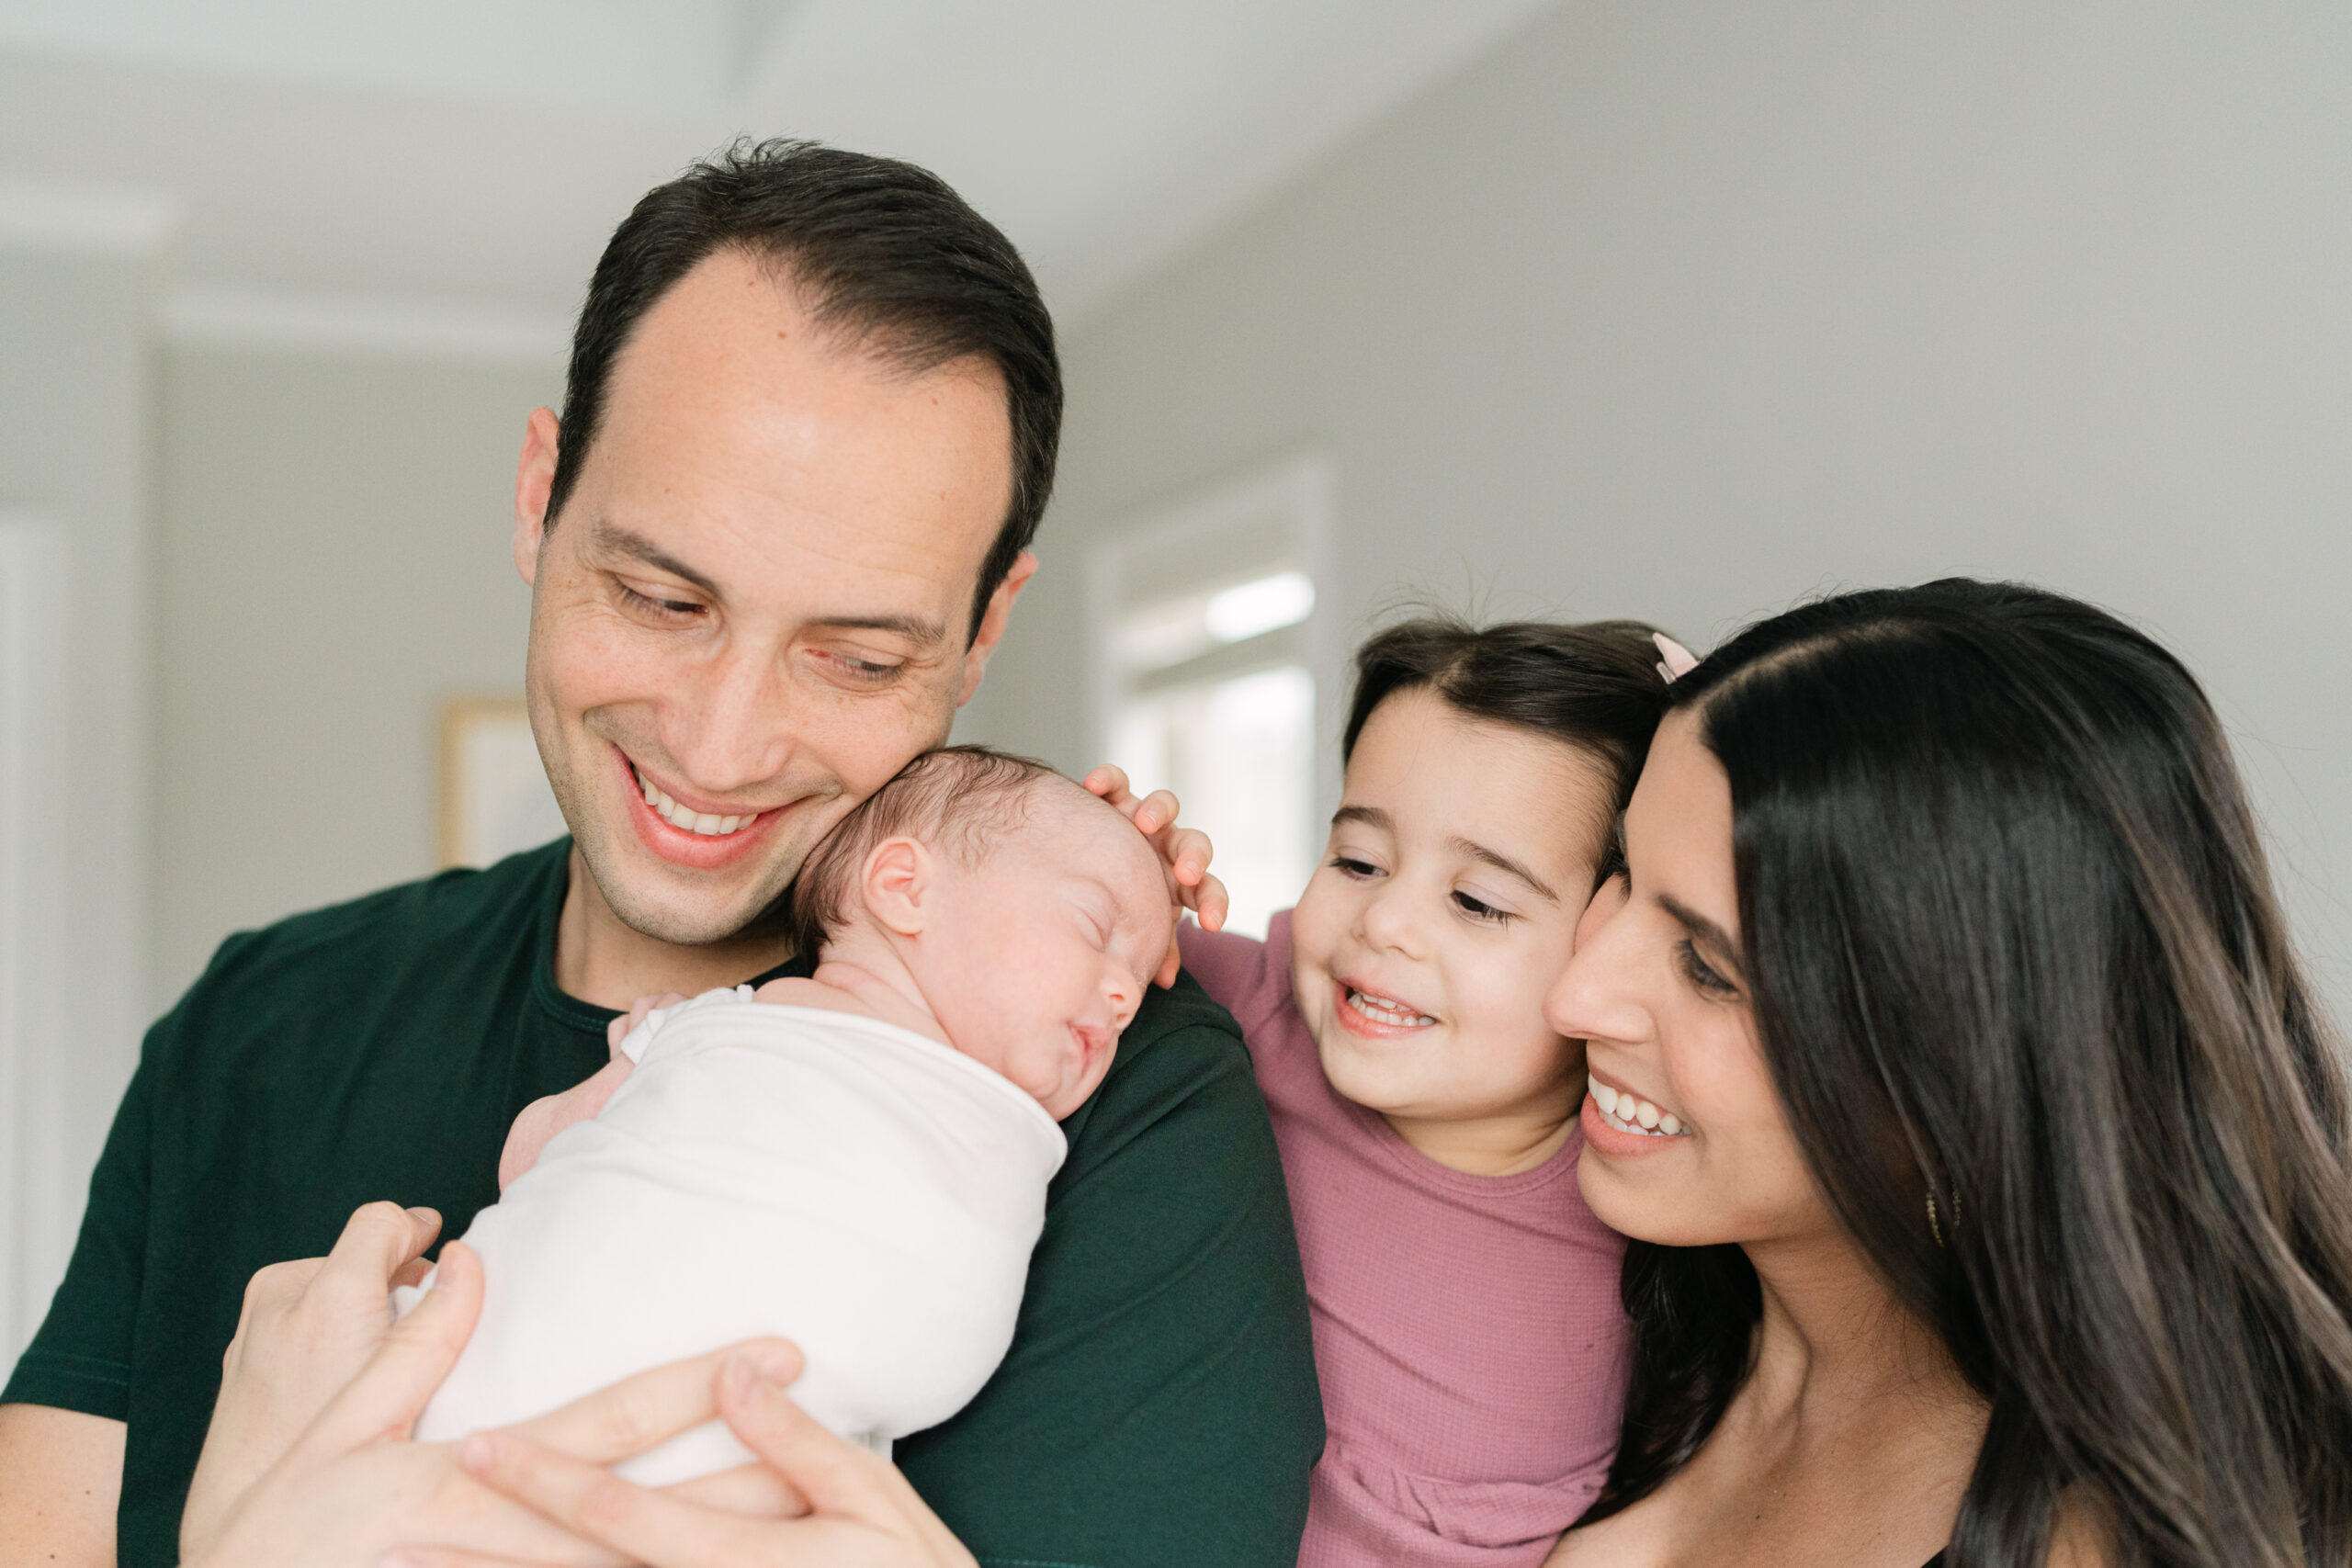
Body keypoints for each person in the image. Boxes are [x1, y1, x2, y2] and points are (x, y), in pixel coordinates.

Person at [0, 140, 1321, 1568]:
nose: (724, 738)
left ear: (985, 629)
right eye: (659, 594)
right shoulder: (254, 1026)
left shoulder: (1103, 1101)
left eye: (858, 655)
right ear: (538, 493)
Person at [1544, 580, 2352, 1566]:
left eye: (1708, 969)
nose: (1573, 997)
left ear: (1958, 1069)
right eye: (1619, 871)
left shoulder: (2096, 1539)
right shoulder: (1612, 1318)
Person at [409, 749, 1175, 1481]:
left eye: (1139, 983)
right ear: (905, 886)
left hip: (716, 1474)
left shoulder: (1019, 1131)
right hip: (491, 1376)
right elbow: (533, 1161)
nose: (1124, 997)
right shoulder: (703, 1028)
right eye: (1094, 928)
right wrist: (635, 1062)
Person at [1175, 616, 1673, 1566]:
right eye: (1358, 861)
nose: (1385, 921)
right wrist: (1088, 869)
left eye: (1478, 901)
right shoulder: (1245, 1001)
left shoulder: (1661, 1203)